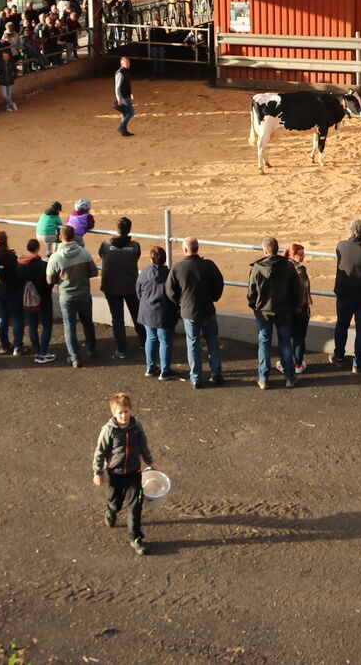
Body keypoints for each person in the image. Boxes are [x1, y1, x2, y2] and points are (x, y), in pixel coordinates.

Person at [90, 392, 156, 556]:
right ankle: (111, 511)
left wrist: (150, 461)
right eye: (120, 412)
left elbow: (143, 445)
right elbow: (100, 452)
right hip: (115, 473)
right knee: (116, 502)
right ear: (113, 413)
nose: (124, 416)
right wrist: (98, 472)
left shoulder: (136, 427)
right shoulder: (108, 430)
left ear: (131, 410)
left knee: (135, 506)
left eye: (126, 411)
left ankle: (136, 538)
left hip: (134, 472)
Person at [167, 236, 224, 388]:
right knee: (212, 340)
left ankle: (196, 378)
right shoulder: (209, 265)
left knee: (193, 343)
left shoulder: (177, 267)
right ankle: (216, 373)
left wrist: (180, 303)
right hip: (208, 310)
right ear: (197, 248)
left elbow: (170, 291)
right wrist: (214, 297)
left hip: (189, 312)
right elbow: (219, 283)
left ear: (185, 250)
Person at [247, 236, 300, 389]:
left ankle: (263, 379)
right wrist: (295, 305)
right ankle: (289, 377)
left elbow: (251, 292)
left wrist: (254, 306)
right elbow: (296, 289)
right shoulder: (288, 266)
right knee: (285, 343)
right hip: (284, 311)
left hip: (263, 312)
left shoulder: (257, 268)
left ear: (264, 251)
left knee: (264, 343)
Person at [48, 224, 99, 367]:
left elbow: (49, 280)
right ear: (74, 237)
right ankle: (91, 350)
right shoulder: (84, 253)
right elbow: (94, 272)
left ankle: (75, 357)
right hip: (83, 294)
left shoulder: (55, 257)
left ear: (60, 238)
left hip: (67, 297)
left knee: (69, 327)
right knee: (87, 323)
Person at [332, 218, 361, 373]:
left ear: (350, 231)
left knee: (342, 324)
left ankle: (339, 357)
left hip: (345, 293)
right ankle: (357, 363)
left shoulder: (341, 245)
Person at [97, 218, 143, 359]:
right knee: (137, 315)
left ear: (116, 229)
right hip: (130, 286)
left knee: (117, 319)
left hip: (111, 287)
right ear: (129, 229)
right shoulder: (135, 246)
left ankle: (122, 350)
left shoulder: (106, 245)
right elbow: (136, 255)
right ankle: (144, 342)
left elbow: (101, 254)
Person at [136, 247, 179, 380]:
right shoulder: (171, 274)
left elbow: (138, 292)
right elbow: (176, 293)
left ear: (151, 259)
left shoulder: (144, 273)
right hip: (165, 313)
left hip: (148, 312)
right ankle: (165, 370)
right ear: (164, 260)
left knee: (151, 338)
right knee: (165, 341)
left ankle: (151, 367)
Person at [0, 230, 25, 356]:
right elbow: (18, 274)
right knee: (18, 318)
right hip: (11, 290)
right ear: (5, 241)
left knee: (3, 317)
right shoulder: (10, 257)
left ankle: (4, 345)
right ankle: (18, 346)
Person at [19, 237, 55, 363]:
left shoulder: (20, 265)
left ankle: (37, 352)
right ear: (38, 249)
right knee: (46, 325)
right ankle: (43, 353)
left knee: (32, 326)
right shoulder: (43, 265)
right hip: (44, 299)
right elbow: (49, 282)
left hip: (28, 300)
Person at [285, 243, 312, 375]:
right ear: (292, 255)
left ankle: (286, 363)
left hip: (285, 309)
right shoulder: (300, 269)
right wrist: (299, 305)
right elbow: (302, 289)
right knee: (299, 338)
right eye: (300, 254)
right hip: (299, 309)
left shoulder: (282, 267)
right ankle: (298, 364)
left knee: (286, 337)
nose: (303, 256)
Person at [113, 55, 135, 136]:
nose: (128, 64)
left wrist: (130, 93)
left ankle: (124, 131)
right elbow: (117, 87)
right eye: (126, 62)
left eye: (129, 62)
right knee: (131, 112)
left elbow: (127, 84)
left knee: (125, 113)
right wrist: (119, 99)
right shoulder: (120, 73)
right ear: (121, 63)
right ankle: (122, 127)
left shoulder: (125, 71)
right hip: (123, 97)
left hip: (126, 95)